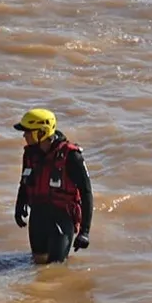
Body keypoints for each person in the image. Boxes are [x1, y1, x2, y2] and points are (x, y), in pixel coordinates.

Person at [12, 108, 93, 264]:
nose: (24, 135)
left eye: (28, 132)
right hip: (38, 217)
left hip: (61, 219)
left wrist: (85, 232)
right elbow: (24, 181)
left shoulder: (72, 156)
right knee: (39, 266)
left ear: (41, 133)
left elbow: (86, 192)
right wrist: (19, 204)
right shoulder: (30, 154)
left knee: (56, 267)